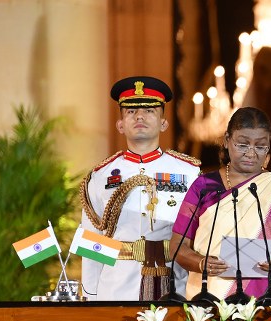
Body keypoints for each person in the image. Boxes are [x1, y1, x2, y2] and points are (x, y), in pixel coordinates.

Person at [170, 107, 271, 301]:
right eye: (242, 144)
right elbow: (177, 245)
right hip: (210, 298)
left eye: (260, 146)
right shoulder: (204, 187)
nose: (251, 153)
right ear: (226, 140)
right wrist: (201, 263)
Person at [80, 76, 201, 301]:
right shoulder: (101, 175)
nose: (139, 116)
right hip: (116, 287)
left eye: (149, 110)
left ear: (164, 123)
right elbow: (90, 240)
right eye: (130, 111)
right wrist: (90, 294)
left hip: (175, 283)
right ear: (120, 125)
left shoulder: (190, 173)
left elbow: (202, 236)